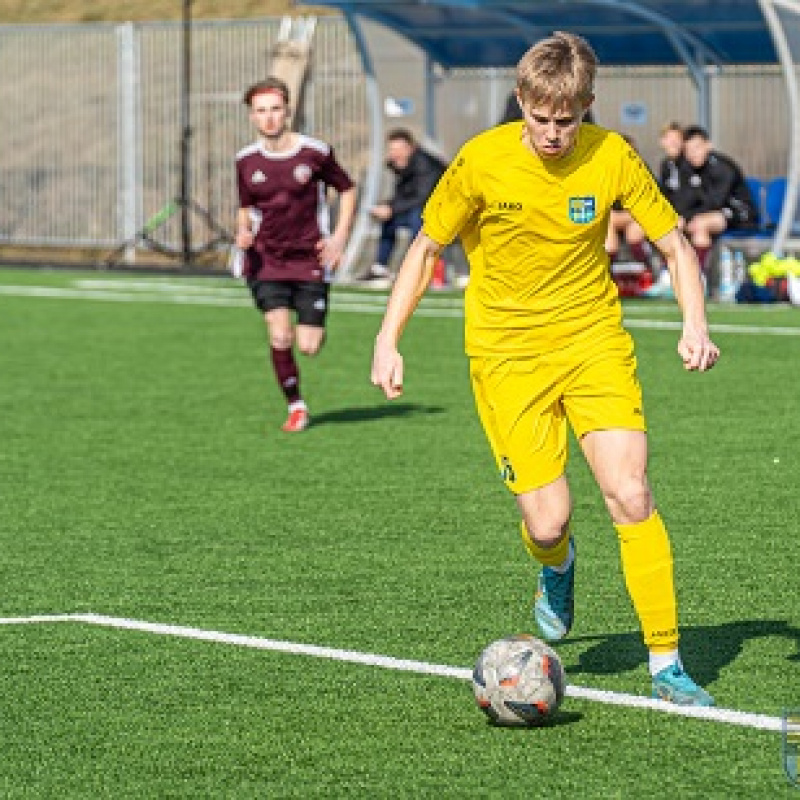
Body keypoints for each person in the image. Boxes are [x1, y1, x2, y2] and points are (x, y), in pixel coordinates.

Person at [371, 32, 720, 706]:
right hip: (506, 356)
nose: (555, 134)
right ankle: (555, 566)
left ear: (587, 105)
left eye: (568, 119)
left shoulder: (612, 155)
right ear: (521, 102)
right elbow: (423, 249)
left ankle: (667, 663)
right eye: (541, 119)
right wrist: (389, 339)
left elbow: (674, 245)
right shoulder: (481, 162)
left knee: (631, 493)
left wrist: (694, 323)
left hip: (593, 342)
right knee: (547, 522)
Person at [234, 77, 356, 433]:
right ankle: (297, 406)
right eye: (261, 111)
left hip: (309, 259)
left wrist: (338, 238)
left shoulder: (314, 152)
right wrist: (242, 231)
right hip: (266, 259)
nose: (269, 117)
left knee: (309, 346)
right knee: (279, 335)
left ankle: (311, 325)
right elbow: (245, 208)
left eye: (275, 109)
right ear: (252, 117)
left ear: (287, 111)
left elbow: (347, 190)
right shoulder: (245, 160)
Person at [361, 128, 447, 287]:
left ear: (411, 148)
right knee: (389, 221)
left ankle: (419, 268)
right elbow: (404, 195)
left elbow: (423, 197)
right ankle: (380, 269)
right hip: (421, 209)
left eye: (400, 149)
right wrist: (387, 207)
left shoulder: (425, 165)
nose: (395, 154)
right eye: (392, 149)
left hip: (441, 214)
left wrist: (392, 209)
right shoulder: (401, 166)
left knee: (417, 217)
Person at [679, 125, 759, 276]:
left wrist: (688, 217)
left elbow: (715, 203)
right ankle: (672, 274)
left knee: (699, 225)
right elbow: (684, 200)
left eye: (697, 148)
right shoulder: (688, 169)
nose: (692, 154)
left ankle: (699, 276)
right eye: (688, 150)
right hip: (711, 214)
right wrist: (682, 217)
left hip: (740, 214)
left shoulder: (723, 167)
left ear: (708, 145)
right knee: (676, 224)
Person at [604, 134, 649, 265]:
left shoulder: (641, 171)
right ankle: (609, 269)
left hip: (639, 215)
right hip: (617, 218)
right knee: (607, 221)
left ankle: (646, 269)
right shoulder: (608, 173)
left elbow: (647, 202)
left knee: (634, 230)